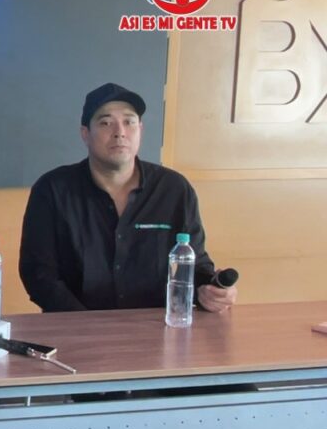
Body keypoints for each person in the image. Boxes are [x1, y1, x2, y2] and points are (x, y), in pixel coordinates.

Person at [19, 82, 238, 314]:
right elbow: (39, 274)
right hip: (73, 328)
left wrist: (210, 291)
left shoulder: (174, 189)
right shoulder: (53, 190)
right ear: (85, 134)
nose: (120, 132)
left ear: (140, 130)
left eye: (129, 122)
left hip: (157, 328)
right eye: (105, 123)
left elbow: (194, 263)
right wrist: (86, 324)